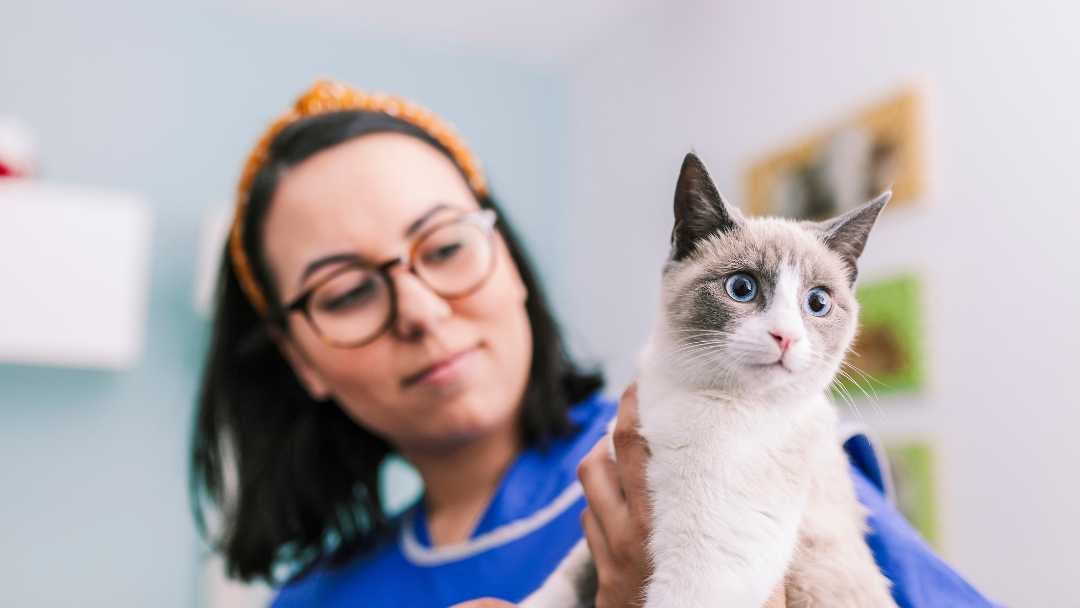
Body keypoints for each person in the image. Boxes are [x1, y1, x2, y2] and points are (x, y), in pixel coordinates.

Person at [189, 80, 996, 607]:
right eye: (348, 291)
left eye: (443, 248)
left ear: (509, 263)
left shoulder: (770, 435)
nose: (421, 310)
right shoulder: (311, 597)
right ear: (299, 359)